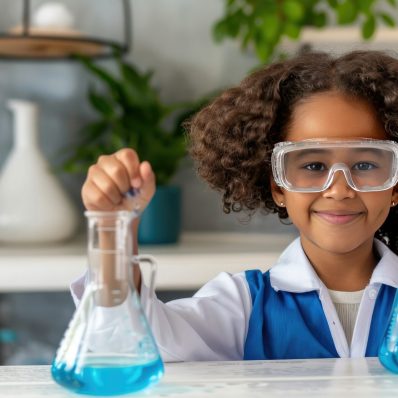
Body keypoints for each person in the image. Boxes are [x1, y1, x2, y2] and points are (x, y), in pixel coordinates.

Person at [73, 50, 398, 361]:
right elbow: (138, 344)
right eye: (313, 166)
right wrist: (114, 229)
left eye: (366, 166)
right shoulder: (244, 303)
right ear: (277, 186)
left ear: (395, 185)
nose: (339, 190)